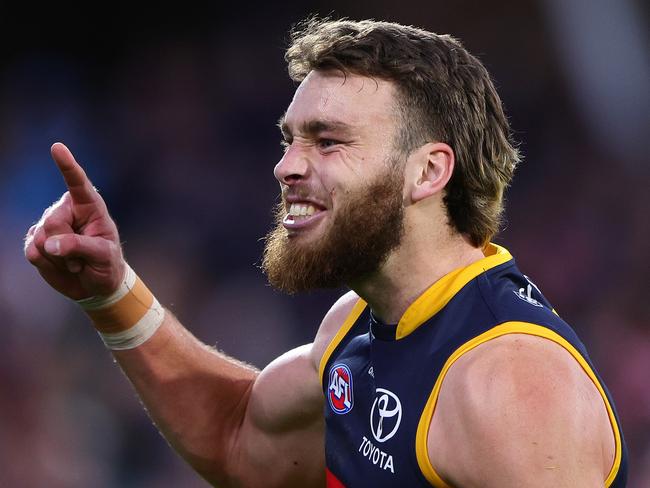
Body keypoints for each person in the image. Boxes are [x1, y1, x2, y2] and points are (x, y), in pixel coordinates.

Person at [24, 18, 627, 488]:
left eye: (328, 141)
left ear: (427, 172)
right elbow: (240, 442)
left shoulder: (512, 384)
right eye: (290, 139)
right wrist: (111, 292)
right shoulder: (355, 328)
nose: (286, 166)